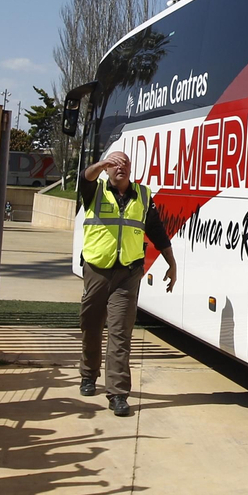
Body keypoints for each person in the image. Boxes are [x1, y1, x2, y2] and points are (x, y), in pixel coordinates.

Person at [77, 149, 176, 418]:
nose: (119, 167)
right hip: (97, 269)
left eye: (124, 164)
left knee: (120, 332)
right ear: (106, 169)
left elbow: (156, 231)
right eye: (114, 164)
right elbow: (83, 178)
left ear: (131, 169)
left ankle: (118, 393)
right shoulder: (94, 192)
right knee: (92, 324)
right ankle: (88, 374)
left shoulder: (143, 196)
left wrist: (171, 262)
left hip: (128, 273)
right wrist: (101, 163)